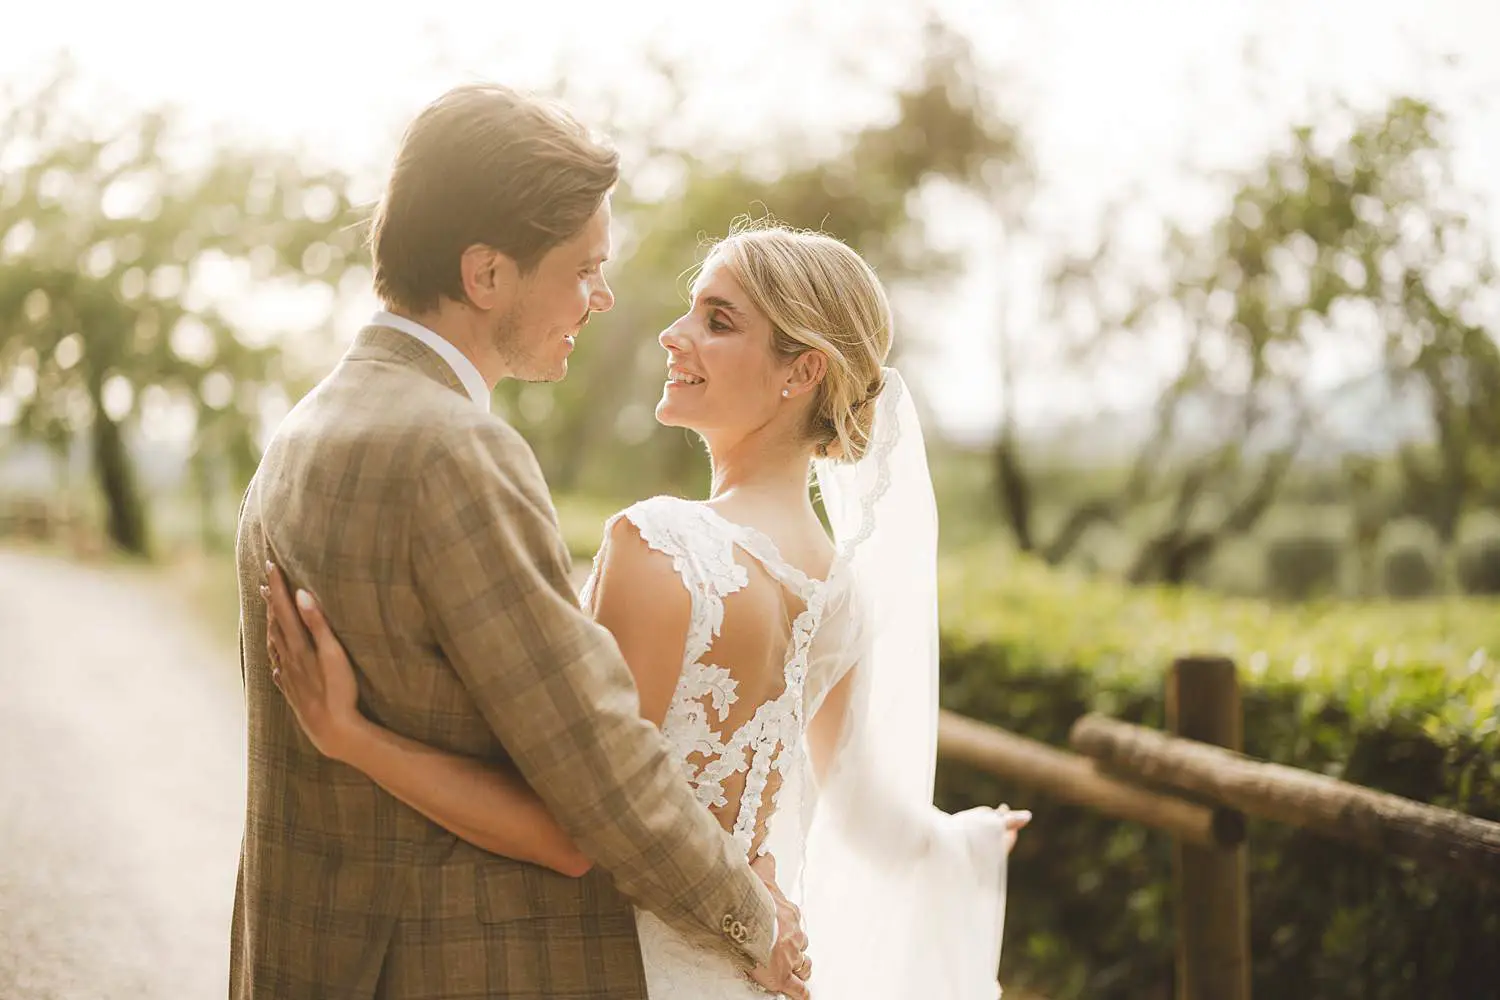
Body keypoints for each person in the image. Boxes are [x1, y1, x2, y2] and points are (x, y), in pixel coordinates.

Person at [261, 220, 1031, 998]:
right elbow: (868, 818)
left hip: (616, 969)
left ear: (801, 372)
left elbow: (570, 825)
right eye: (691, 310)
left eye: (717, 321)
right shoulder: (840, 593)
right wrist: (963, 841)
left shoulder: (663, 544)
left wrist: (351, 736)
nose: (673, 334)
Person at [231, 85, 811, 1000]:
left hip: (309, 955)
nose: (602, 297)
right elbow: (601, 777)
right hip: (450, 966)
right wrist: (752, 917)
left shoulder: (303, 432)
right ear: (487, 275)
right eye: (583, 269)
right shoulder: (457, 452)